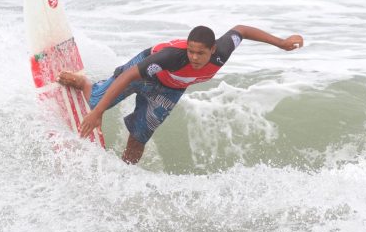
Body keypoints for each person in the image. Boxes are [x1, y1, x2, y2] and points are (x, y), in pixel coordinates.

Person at [58, 25, 303, 164]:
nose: (194, 58)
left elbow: (241, 30)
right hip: (145, 72)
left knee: (140, 136)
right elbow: (129, 76)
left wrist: (281, 43)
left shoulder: (222, 52)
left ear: (213, 50)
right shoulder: (172, 56)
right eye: (191, 52)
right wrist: (98, 112)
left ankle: (122, 173)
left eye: (200, 53)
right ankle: (84, 83)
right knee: (93, 103)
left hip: (171, 90)